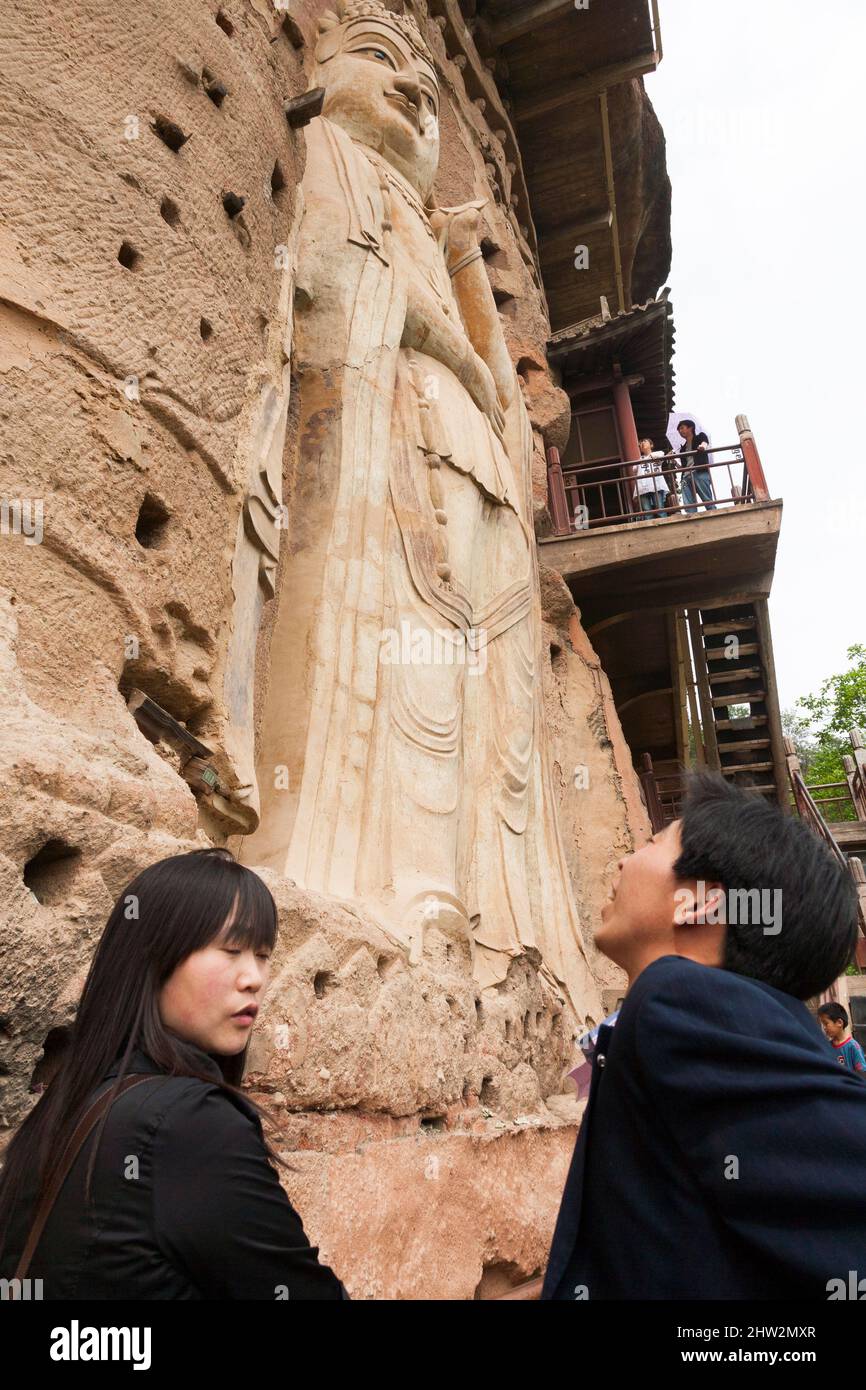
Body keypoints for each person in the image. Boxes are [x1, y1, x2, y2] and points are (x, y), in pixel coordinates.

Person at [541, 773, 866, 1300]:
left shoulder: (675, 998)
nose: (624, 860)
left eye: (651, 842)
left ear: (702, 905)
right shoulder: (718, 1025)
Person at [0, 848, 347, 1299]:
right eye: (231, 949)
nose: (255, 977)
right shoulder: (191, 1124)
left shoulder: (73, 1100)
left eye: (263, 955)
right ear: (155, 960)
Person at [677, 418, 717, 513]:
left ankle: (714, 515)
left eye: (682, 428)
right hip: (686, 476)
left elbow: (705, 442)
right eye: (679, 430)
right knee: (688, 504)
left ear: (690, 428)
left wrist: (702, 446)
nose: (680, 431)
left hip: (699, 472)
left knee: (707, 499)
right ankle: (692, 519)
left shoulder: (700, 437)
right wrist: (674, 462)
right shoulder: (682, 448)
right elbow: (684, 466)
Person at [817, 1002, 866, 1074]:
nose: (824, 1027)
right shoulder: (827, 1046)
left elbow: (862, 1074)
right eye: (823, 1024)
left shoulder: (853, 1046)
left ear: (839, 1022)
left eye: (826, 1023)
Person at [633, 437, 670, 518]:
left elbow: (660, 455)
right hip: (642, 486)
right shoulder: (639, 460)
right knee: (647, 511)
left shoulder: (658, 454)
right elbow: (634, 470)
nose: (642, 443)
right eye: (641, 443)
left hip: (656, 484)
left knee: (659, 508)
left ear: (651, 445)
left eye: (645, 441)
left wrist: (652, 456)